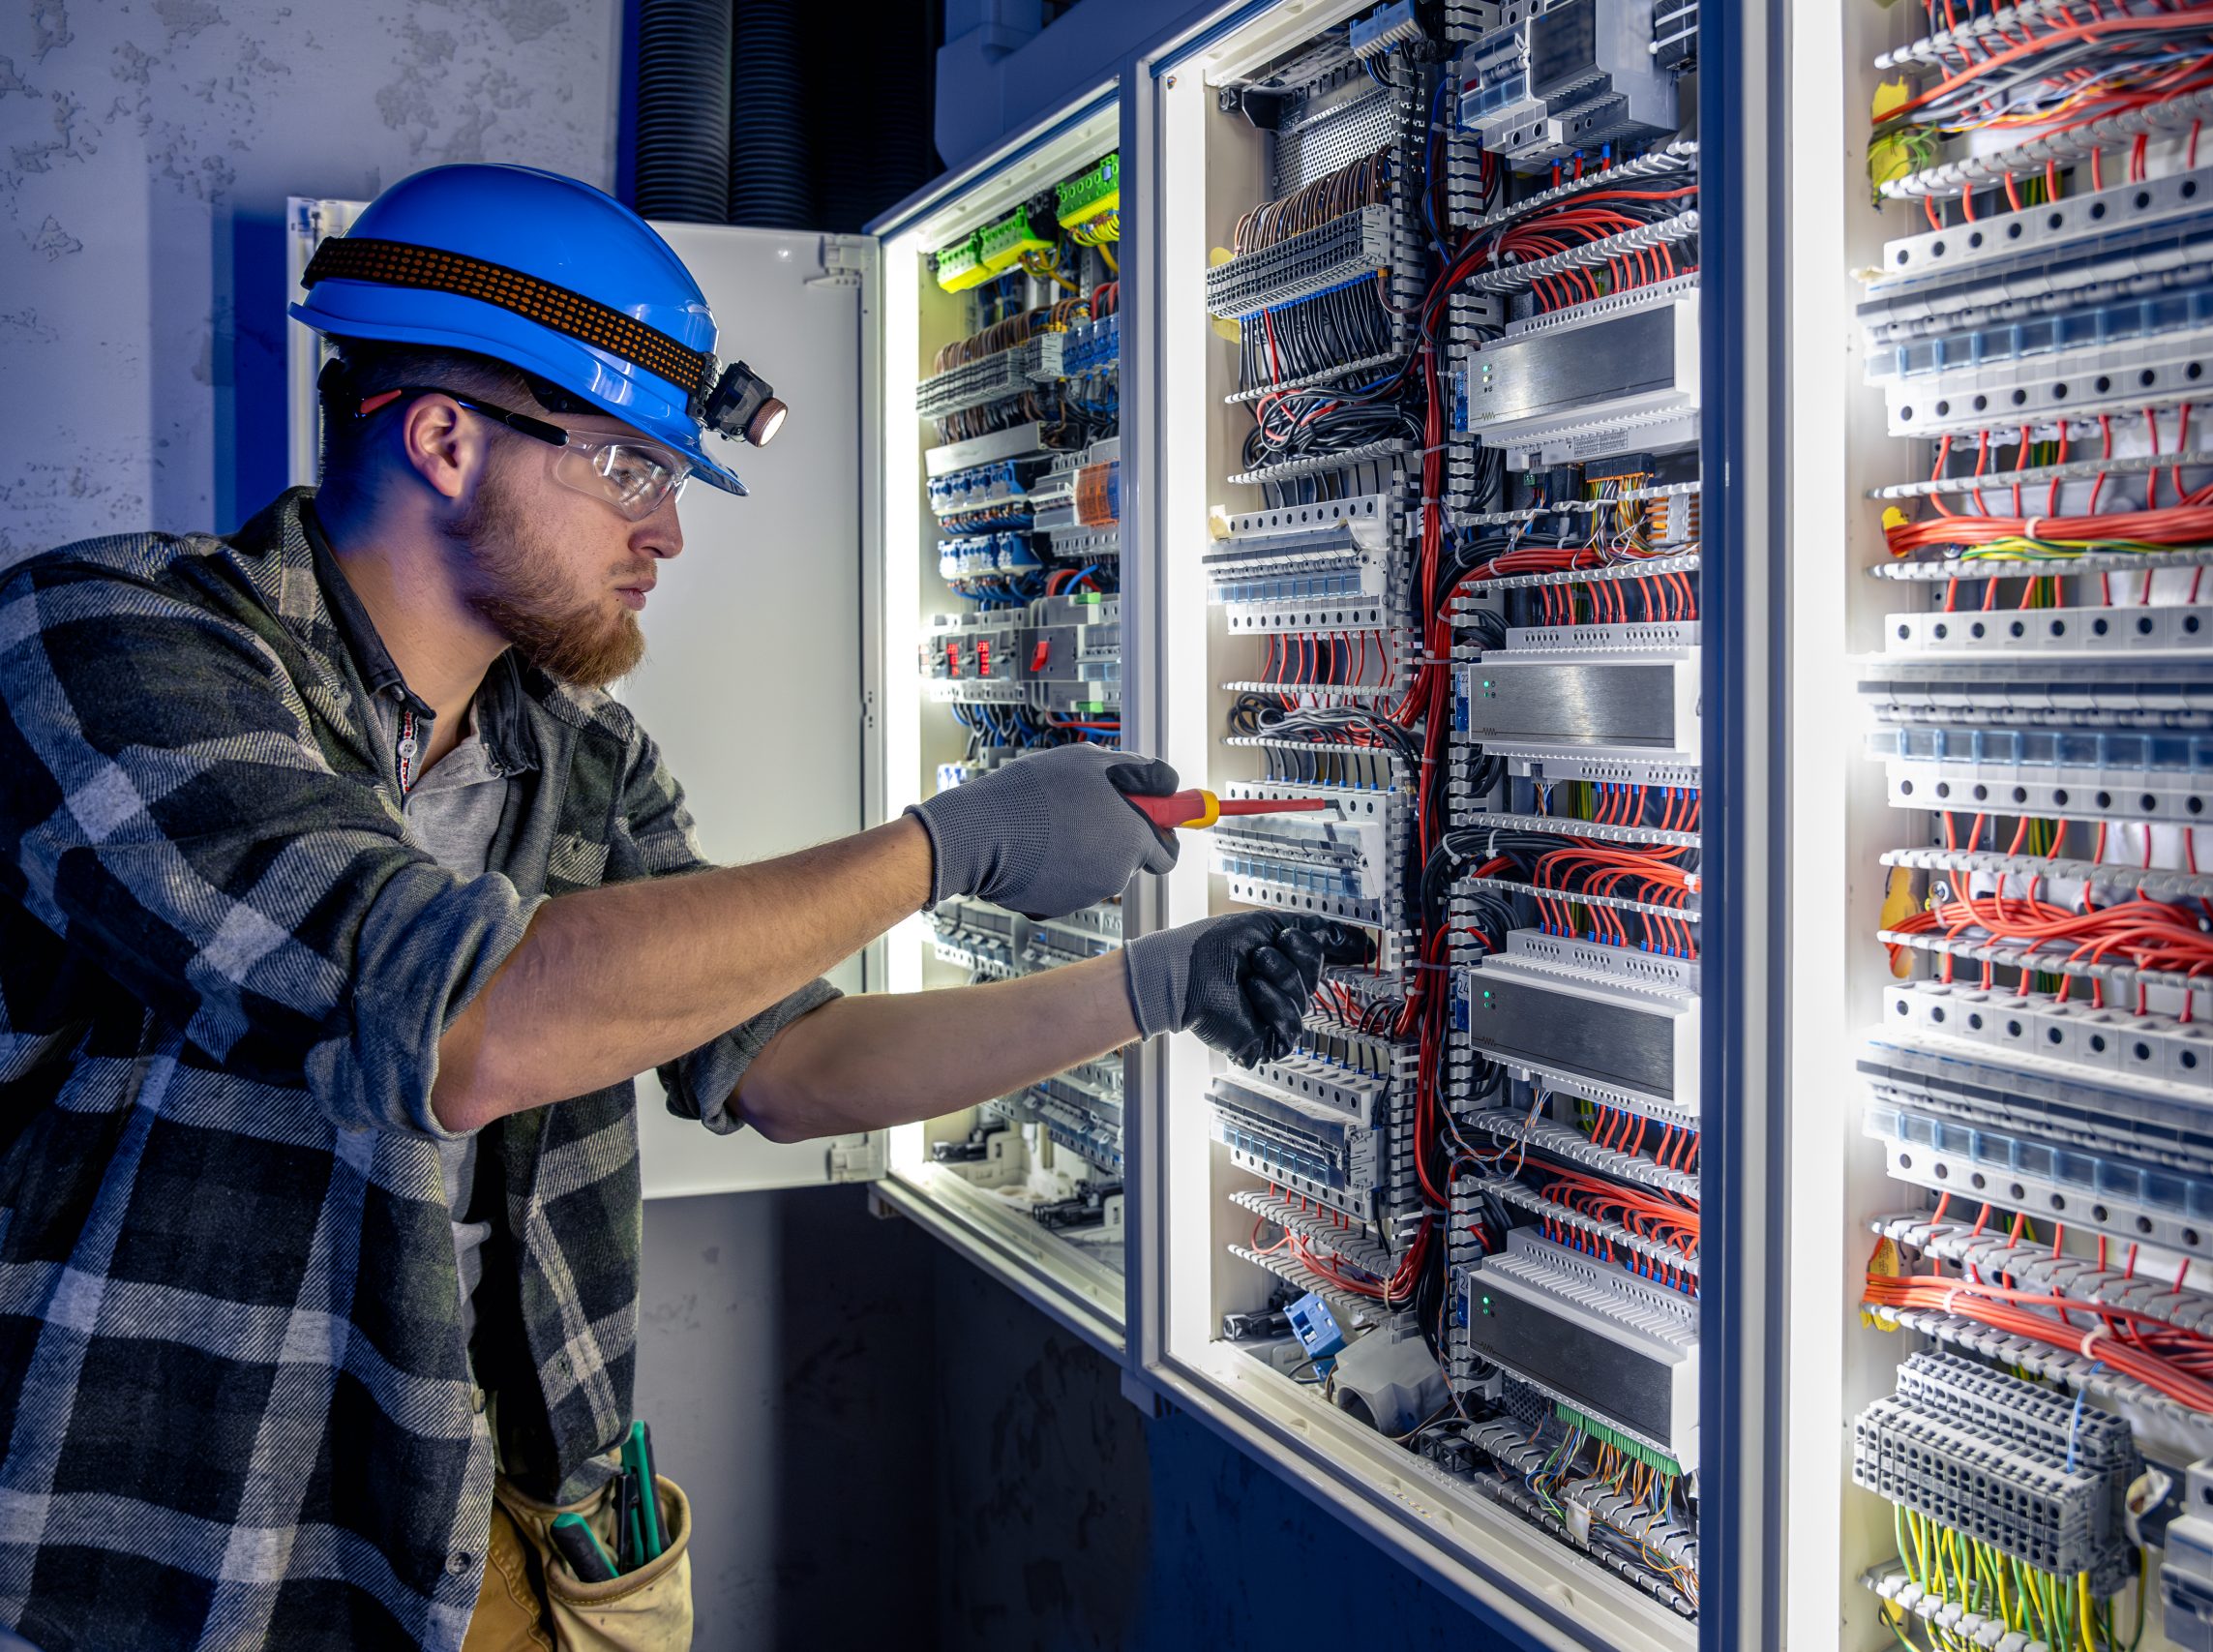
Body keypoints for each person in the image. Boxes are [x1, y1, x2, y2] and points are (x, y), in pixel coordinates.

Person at [0, 164, 1351, 1652]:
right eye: (632, 469)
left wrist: (1148, 991)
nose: (670, 535)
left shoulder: (576, 756)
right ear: (446, 440)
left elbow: (784, 1065)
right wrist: (940, 848)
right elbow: (456, 1023)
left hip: (500, 1531)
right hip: (178, 1549)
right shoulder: (109, 643)